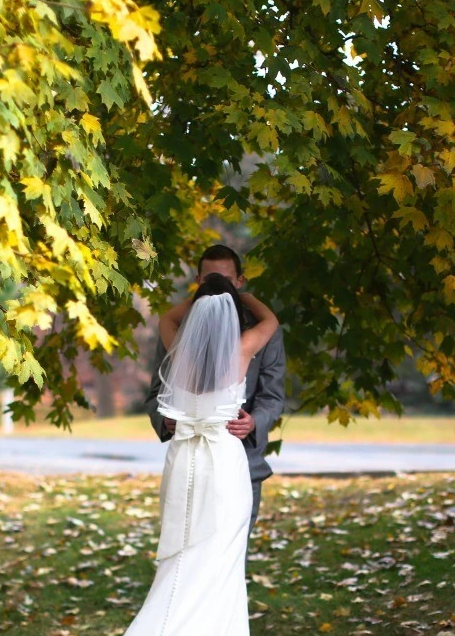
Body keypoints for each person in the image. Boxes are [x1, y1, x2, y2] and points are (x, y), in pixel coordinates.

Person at [124, 273, 279, 635]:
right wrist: (243, 295)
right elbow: (271, 320)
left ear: (195, 311)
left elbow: (165, 317)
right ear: (232, 310)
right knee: (222, 555)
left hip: (183, 458)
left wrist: (200, 298)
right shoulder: (242, 350)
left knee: (183, 552)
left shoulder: (179, 348)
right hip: (223, 461)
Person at [143, 245, 286, 536]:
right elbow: (156, 392)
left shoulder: (177, 338)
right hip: (199, 456)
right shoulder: (245, 345)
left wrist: (255, 421)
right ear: (198, 280)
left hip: (239, 459)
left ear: (240, 279)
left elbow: (273, 393)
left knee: (223, 545)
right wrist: (164, 419)